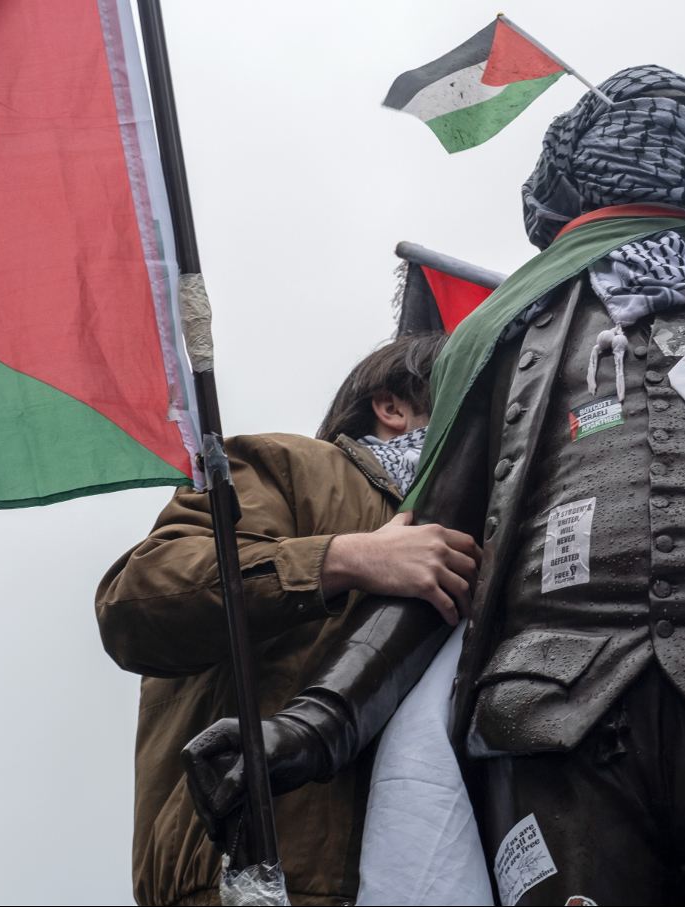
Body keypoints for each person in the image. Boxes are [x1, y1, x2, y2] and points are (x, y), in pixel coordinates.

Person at [184, 66, 685, 906]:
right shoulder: (510, 336)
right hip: (554, 737)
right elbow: (432, 560)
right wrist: (314, 723)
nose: (653, 136)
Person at [95, 333, 480, 906]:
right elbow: (136, 601)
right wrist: (343, 559)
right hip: (261, 880)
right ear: (392, 406)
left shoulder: (500, 530)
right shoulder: (290, 467)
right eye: (467, 391)